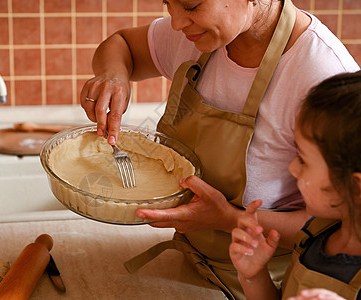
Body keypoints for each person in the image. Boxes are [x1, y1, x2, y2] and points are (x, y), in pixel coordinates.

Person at [80, 0, 359, 298]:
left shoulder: (322, 73)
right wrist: (113, 74)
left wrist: (228, 218)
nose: (175, 22)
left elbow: (343, 221)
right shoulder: (198, 34)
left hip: (272, 282)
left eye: (190, 5)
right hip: (189, 261)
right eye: (167, 3)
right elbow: (120, 44)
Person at [229, 71, 361, 300]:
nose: (293, 168)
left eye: (303, 160)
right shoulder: (317, 231)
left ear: (356, 187)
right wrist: (254, 276)